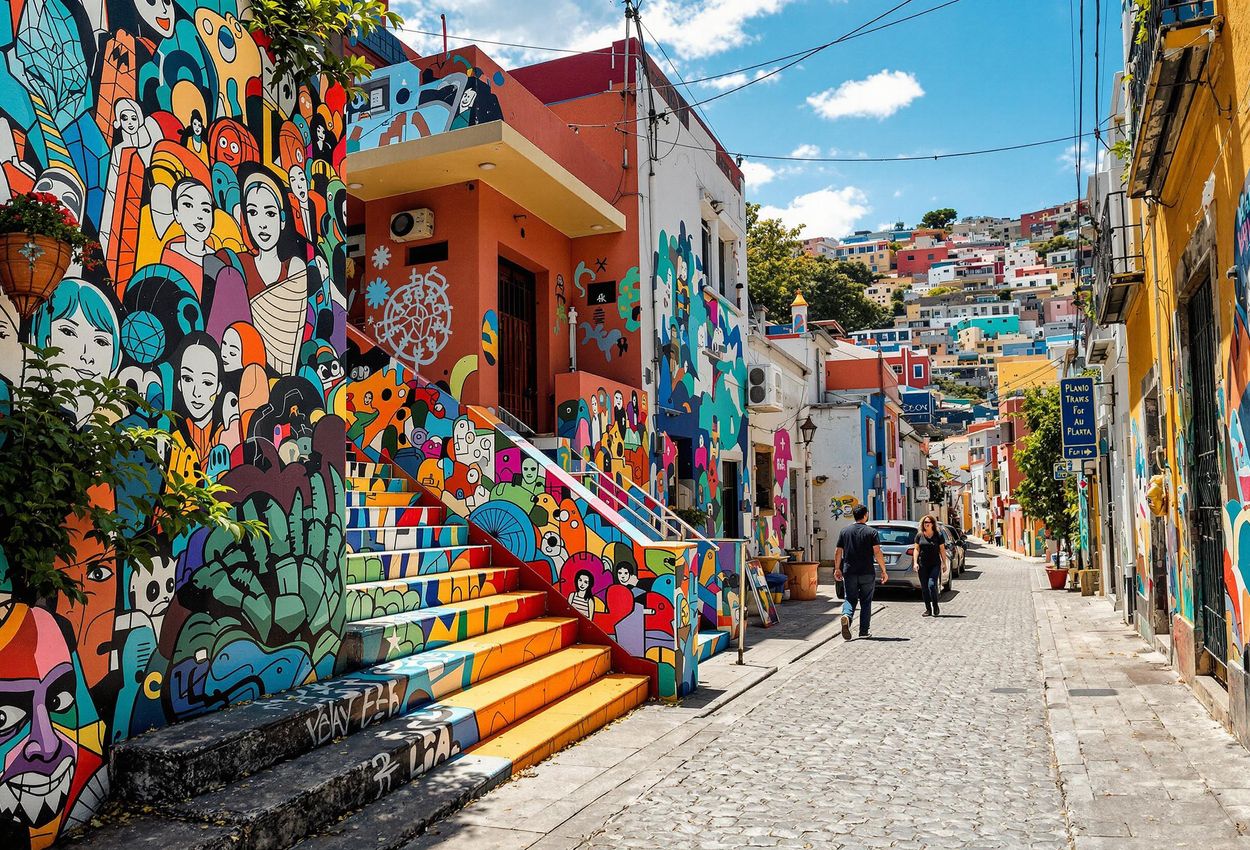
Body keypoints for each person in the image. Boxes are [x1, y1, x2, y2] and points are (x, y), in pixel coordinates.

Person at [834, 505, 889, 640]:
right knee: (866, 601)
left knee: (850, 598)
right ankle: (863, 631)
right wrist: (883, 570)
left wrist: (837, 568)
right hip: (867, 572)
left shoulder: (845, 531)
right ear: (865, 515)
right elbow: (877, 552)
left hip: (849, 571)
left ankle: (847, 616)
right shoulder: (871, 532)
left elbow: (838, 551)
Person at [914, 515, 949, 617]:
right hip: (922, 565)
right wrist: (915, 562)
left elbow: (942, 550)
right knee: (924, 588)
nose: (927, 524)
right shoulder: (919, 536)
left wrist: (944, 563)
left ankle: (935, 605)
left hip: (935, 564)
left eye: (929, 522)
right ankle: (928, 609)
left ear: (933, 523)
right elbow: (916, 549)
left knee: (932, 585)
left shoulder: (938, 535)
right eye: (925, 522)